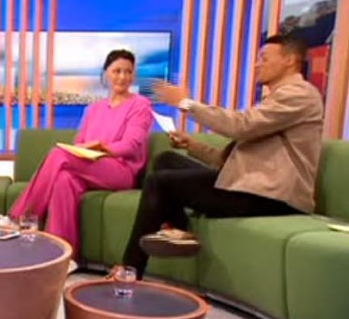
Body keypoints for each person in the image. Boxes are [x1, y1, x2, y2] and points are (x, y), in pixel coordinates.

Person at [121, 34, 324, 278]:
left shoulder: (300, 95)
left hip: (274, 196)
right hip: (251, 185)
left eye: (264, 58)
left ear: (290, 60)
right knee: (165, 160)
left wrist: (186, 103)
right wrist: (192, 145)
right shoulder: (276, 100)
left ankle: (129, 272)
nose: (256, 64)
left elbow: (240, 125)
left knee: (160, 182)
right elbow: (230, 162)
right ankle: (181, 232)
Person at [8, 49, 154, 255]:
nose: (123, 77)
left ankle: (20, 218)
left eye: (128, 72)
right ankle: (62, 255)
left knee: (59, 154)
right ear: (106, 74)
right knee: (64, 179)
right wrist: (85, 150)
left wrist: (99, 147)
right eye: (117, 71)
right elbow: (79, 143)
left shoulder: (140, 105)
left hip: (121, 171)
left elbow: (130, 145)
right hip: (91, 167)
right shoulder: (94, 109)